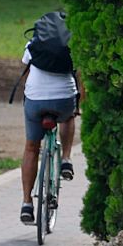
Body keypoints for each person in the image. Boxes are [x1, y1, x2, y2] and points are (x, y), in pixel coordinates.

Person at [18, 18, 84, 225]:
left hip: (35, 101)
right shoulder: (73, 46)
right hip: (64, 100)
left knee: (31, 148)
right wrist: (77, 105)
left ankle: (27, 203)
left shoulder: (32, 45)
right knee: (69, 117)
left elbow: (26, 76)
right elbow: (79, 81)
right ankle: (65, 159)